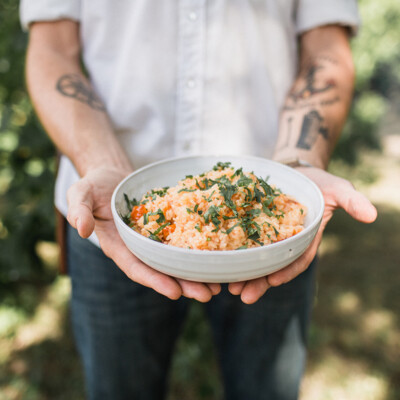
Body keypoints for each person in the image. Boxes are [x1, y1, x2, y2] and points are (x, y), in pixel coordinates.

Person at [21, 1, 377, 399]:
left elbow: (325, 51)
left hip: (273, 237)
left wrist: (297, 164)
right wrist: (104, 165)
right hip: (111, 220)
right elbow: (52, 49)